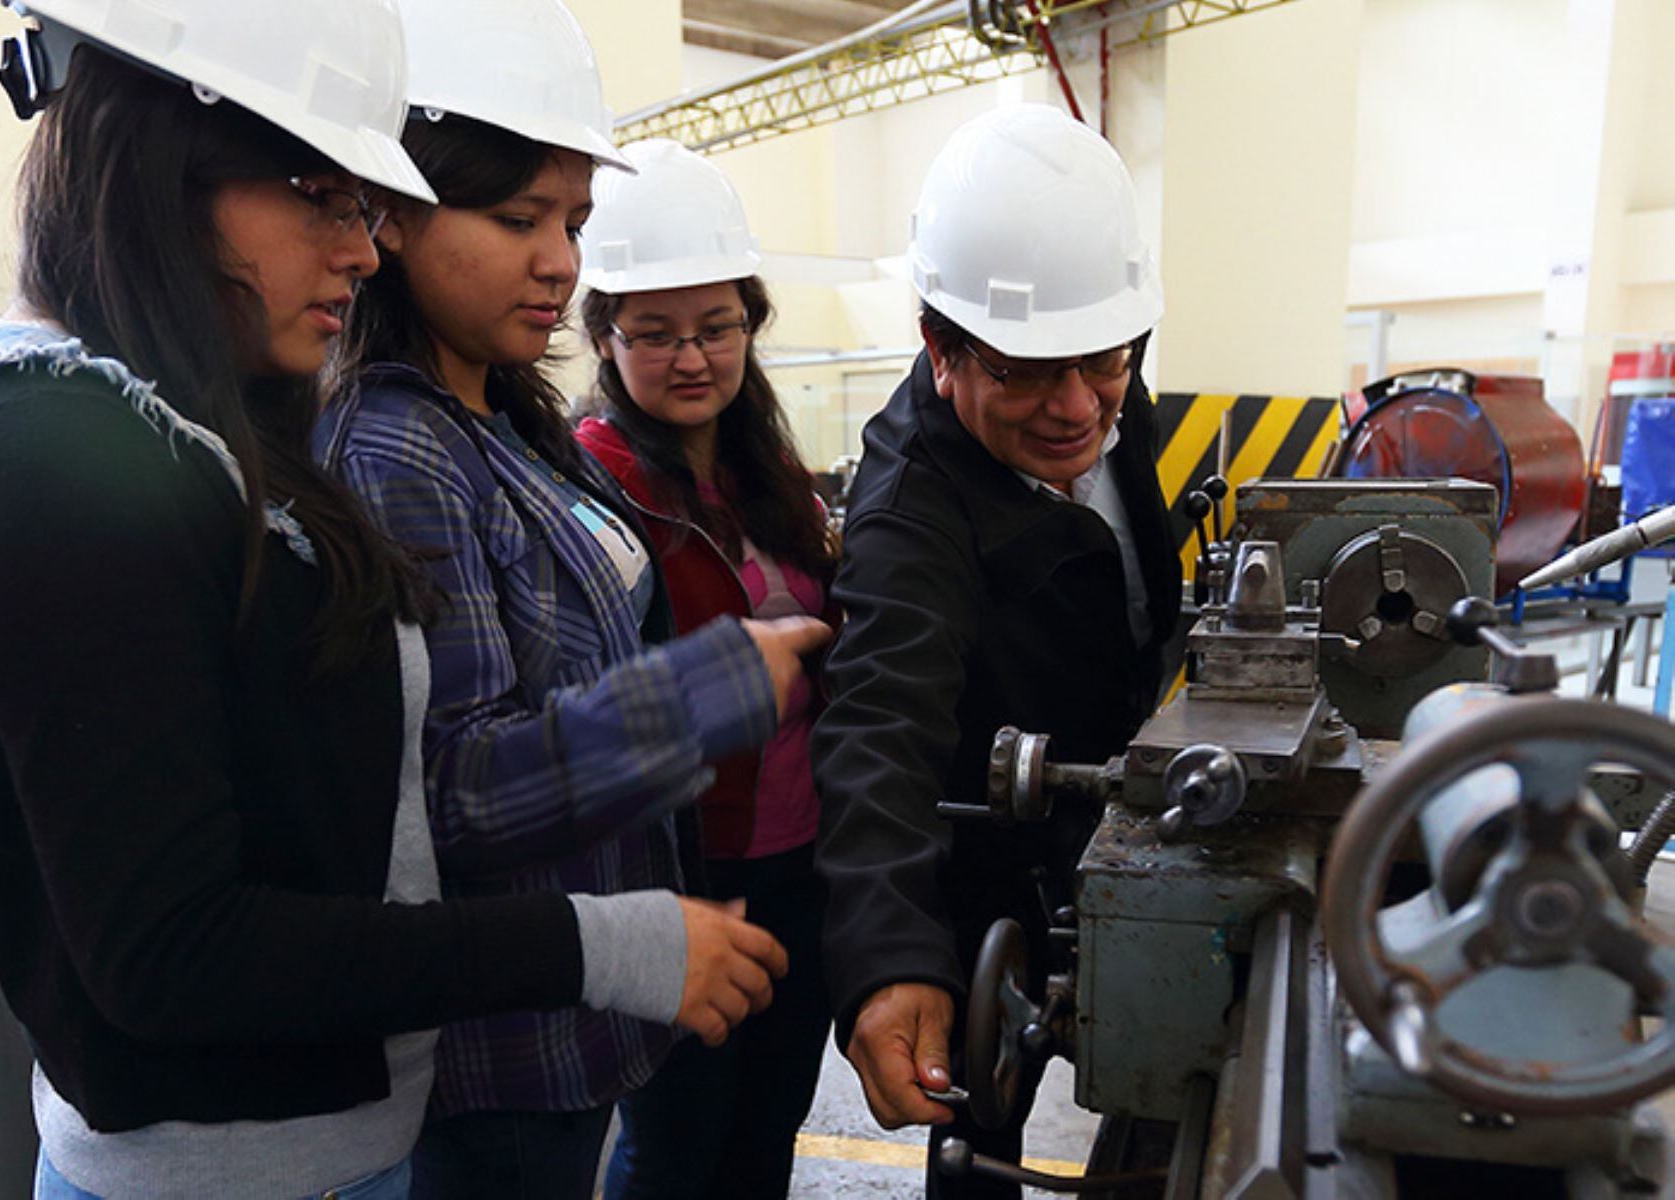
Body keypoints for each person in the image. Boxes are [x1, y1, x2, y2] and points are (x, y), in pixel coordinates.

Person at [0, 3, 786, 1197]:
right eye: (322, 192)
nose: (363, 249)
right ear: (160, 164)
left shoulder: (205, 437)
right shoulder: (49, 465)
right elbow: (174, 952)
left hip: (324, 1153)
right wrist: (595, 941)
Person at [319, 4, 829, 1197]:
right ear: (391, 212)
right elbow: (448, 795)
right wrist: (707, 690)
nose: (559, 260)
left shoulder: (501, 422)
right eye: (516, 220)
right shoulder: (400, 450)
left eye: (573, 223)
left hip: (581, 1007)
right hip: (498, 1047)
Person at [811, 103, 1183, 1198]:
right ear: (942, 350)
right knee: (982, 1138)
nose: (1076, 410)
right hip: (995, 873)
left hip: (1128, 815)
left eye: (1101, 361)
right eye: (1025, 374)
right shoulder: (910, 513)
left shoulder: (1112, 400)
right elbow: (877, 724)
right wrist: (887, 957)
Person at [574, 139, 838, 1200]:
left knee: (769, 1124)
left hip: (799, 863)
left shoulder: (770, 474)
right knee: (679, 1145)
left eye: (718, 327)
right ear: (604, 335)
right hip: (679, 870)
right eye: (657, 333)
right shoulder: (592, 480)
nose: (694, 357)